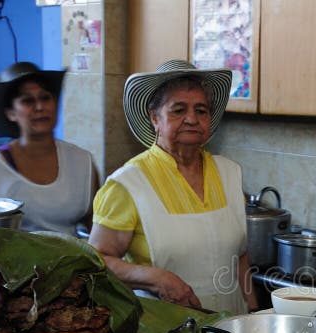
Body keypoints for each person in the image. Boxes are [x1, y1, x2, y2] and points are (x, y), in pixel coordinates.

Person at [89, 60, 257, 314]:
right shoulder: (128, 184)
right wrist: (156, 278)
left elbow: (241, 257)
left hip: (231, 326)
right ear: (155, 118)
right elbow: (96, 261)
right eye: (178, 110)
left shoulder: (229, 173)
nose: (192, 119)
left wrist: (253, 313)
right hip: (164, 328)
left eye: (201, 111)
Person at [0, 62, 98, 235]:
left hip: (74, 259)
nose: (39, 107)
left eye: (45, 98)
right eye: (27, 100)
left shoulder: (82, 162)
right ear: (11, 113)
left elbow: (98, 230)